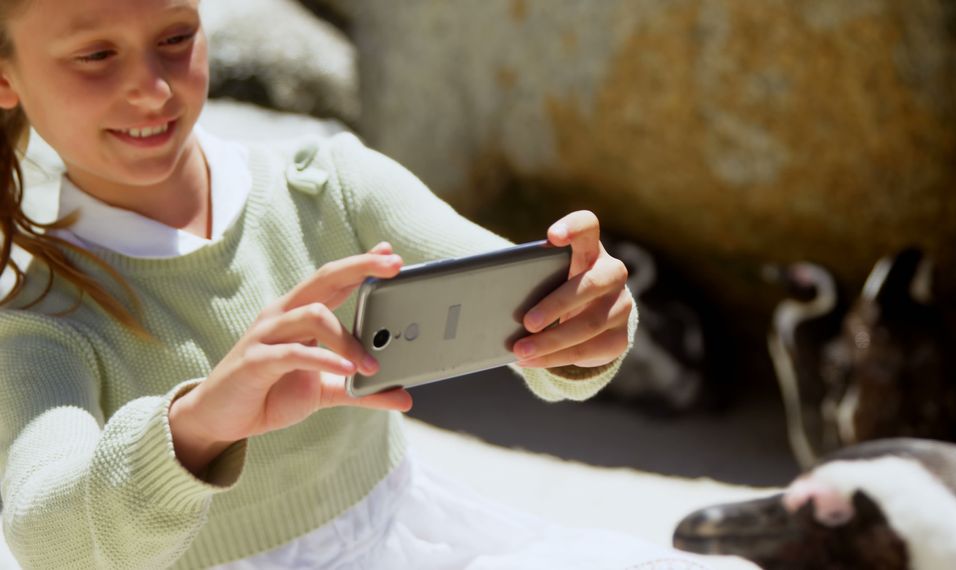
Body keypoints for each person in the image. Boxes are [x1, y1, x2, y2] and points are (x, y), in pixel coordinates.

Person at [0, 0, 711, 568]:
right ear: (8, 78)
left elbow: (532, 313)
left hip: (407, 540)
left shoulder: (329, 188)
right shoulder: (42, 316)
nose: (153, 89)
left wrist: (585, 324)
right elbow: (46, 537)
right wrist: (199, 423)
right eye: (96, 55)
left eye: (177, 37)